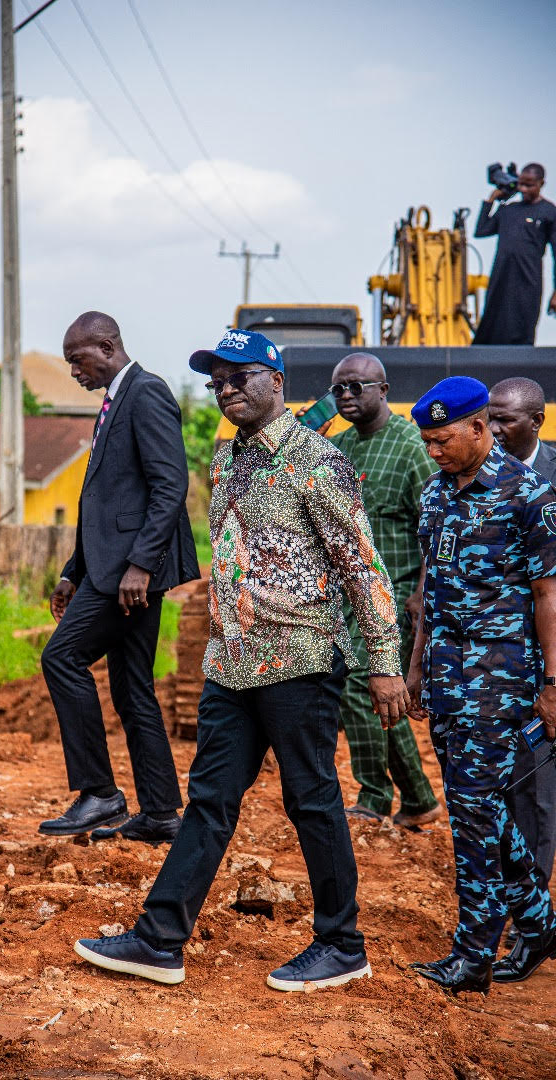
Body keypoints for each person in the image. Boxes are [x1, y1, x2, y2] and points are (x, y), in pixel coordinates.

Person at [74, 329, 409, 991]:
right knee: (208, 801)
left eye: (240, 376)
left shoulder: (317, 459)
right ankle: (160, 938)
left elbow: (362, 566)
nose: (227, 389)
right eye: (217, 379)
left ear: (276, 381)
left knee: (311, 801)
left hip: (302, 659)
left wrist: (384, 661)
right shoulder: (227, 460)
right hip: (233, 664)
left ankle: (342, 943)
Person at [406, 376, 556, 993]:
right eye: (426, 443)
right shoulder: (436, 496)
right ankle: (541, 922)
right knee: (482, 809)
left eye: (443, 440)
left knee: (471, 817)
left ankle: (474, 955)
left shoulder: (530, 496)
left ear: (479, 429)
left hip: (501, 682)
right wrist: (415, 663)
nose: (434, 452)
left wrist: (553, 683)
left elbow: (549, 593)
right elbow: (427, 590)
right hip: (444, 675)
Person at [39, 312, 199, 844]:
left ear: (107, 347)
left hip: (129, 575)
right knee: (133, 691)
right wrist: (72, 571)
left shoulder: (147, 392)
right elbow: (104, 503)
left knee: (61, 658)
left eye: (77, 361)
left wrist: (141, 564)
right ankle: (159, 813)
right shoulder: (113, 400)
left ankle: (99, 793)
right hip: (110, 570)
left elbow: (170, 482)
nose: (73, 373)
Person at [322, 352, 440, 827]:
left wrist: (423, 593)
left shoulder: (411, 447)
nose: (347, 395)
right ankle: (417, 798)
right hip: (345, 596)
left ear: (383, 390)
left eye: (357, 386)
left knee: (359, 686)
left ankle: (374, 797)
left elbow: (436, 525)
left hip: (396, 597)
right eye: (339, 389)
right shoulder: (340, 448)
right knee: (374, 694)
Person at [488, 376, 556, 954]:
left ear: (536, 421)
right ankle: (532, 920)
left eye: (505, 419)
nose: (493, 428)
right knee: (526, 789)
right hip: (515, 664)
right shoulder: (478, 479)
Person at [472, 163, 556, 345]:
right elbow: (481, 230)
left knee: (523, 324)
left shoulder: (549, 212)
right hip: (501, 277)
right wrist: (491, 200)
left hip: (528, 278)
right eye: (521, 184)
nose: (523, 189)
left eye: (529, 185)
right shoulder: (509, 210)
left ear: (541, 183)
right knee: (492, 322)